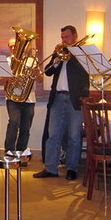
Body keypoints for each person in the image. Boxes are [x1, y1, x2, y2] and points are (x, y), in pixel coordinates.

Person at [33, 25, 89, 180]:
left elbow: (86, 73)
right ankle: (50, 168)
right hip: (57, 97)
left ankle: (72, 169)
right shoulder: (58, 51)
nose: (64, 40)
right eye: (62, 37)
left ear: (75, 36)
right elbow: (48, 71)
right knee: (53, 135)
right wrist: (56, 61)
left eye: (67, 37)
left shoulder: (81, 53)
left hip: (74, 99)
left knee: (74, 136)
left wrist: (73, 55)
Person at [4, 37, 36, 165]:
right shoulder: (7, 61)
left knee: (25, 128)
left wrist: (35, 73)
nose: (13, 48)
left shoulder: (32, 61)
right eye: (10, 46)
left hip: (29, 99)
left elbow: (39, 79)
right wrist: (8, 79)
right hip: (12, 98)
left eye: (15, 45)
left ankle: (21, 154)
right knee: (13, 122)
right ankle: (9, 152)